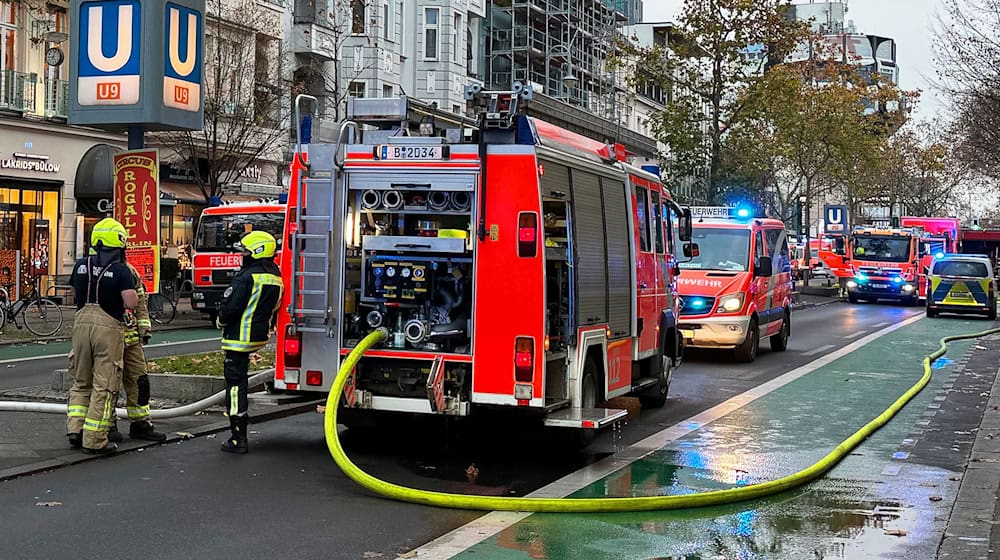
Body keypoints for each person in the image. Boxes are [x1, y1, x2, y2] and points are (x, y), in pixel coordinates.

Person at [66, 218, 138, 454]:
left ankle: (75, 430)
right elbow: (130, 302)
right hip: (108, 328)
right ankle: (95, 439)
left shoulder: (80, 265)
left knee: (81, 381)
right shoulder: (121, 271)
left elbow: (74, 293)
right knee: (104, 385)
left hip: (80, 326)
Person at [215, 231, 283, 454]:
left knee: (235, 388)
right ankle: (239, 431)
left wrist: (221, 319)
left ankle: (238, 437)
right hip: (259, 335)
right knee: (240, 383)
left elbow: (231, 307)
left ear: (257, 251)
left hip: (238, 338)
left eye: (245, 251)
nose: (242, 255)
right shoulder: (276, 276)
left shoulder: (246, 277)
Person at [116, 261, 167, 442]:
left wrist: (144, 329)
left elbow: (140, 300)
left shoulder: (130, 270)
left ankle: (140, 424)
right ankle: (107, 425)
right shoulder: (97, 270)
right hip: (110, 338)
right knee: (108, 384)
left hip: (131, 339)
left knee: (140, 381)